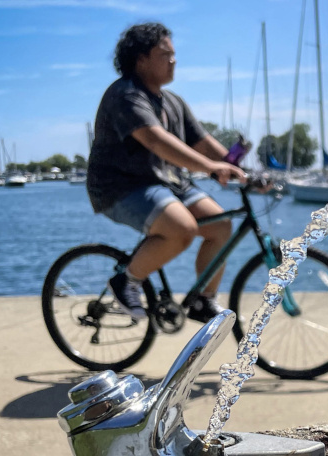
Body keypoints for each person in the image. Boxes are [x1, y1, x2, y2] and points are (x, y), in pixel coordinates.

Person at [87, 22, 247, 323]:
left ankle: (203, 301)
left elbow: (202, 142)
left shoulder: (173, 102)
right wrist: (211, 168)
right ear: (141, 59)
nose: (173, 60)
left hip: (167, 184)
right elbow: (155, 139)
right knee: (182, 228)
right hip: (122, 187)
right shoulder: (125, 95)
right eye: (165, 54)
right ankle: (126, 280)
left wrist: (240, 170)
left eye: (174, 54)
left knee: (221, 227)